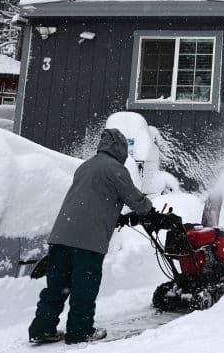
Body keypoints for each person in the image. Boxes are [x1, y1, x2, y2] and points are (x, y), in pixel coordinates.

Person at [28, 128, 155, 345]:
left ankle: (42, 329)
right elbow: (135, 200)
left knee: (56, 287)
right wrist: (149, 210)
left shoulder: (86, 166)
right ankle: (80, 331)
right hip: (87, 242)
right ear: (120, 149)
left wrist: (115, 215)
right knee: (84, 288)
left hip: (60, 237)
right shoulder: (115, 169)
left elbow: (92, 200)